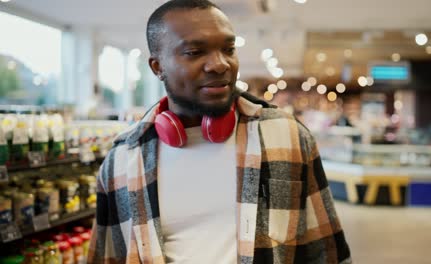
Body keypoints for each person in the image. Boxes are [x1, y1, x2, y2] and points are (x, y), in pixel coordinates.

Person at [88, 0, 351, 263]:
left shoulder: (287, 136)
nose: (219, 64)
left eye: (228, 49)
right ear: (157, 67)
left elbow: (327, 252)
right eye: (194, 52)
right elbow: (106, 256)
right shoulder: (121, 161)